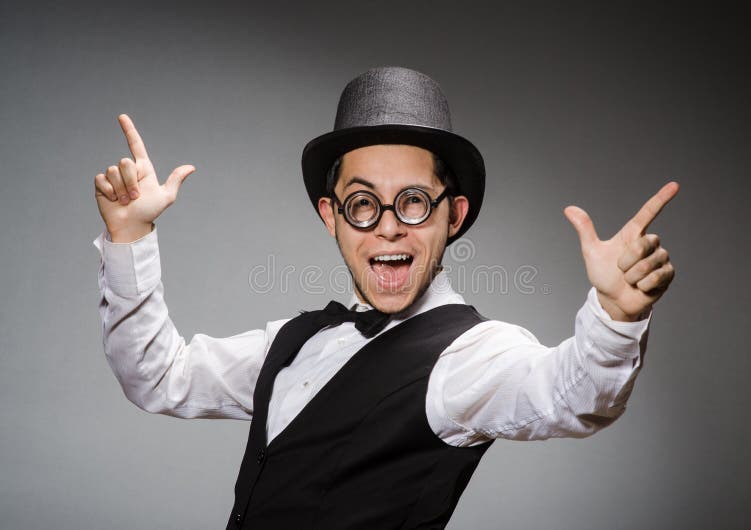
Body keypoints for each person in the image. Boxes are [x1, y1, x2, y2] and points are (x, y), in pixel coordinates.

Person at [92, 66, 677, 529]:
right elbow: (156, 375)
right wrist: (129, 236)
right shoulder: (291, 343)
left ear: (455, 215)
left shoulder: (468, 357)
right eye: (364, 203)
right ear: (333, 217)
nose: (389, 227)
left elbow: (569, 395)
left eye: (415, 200)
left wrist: (617, 316)